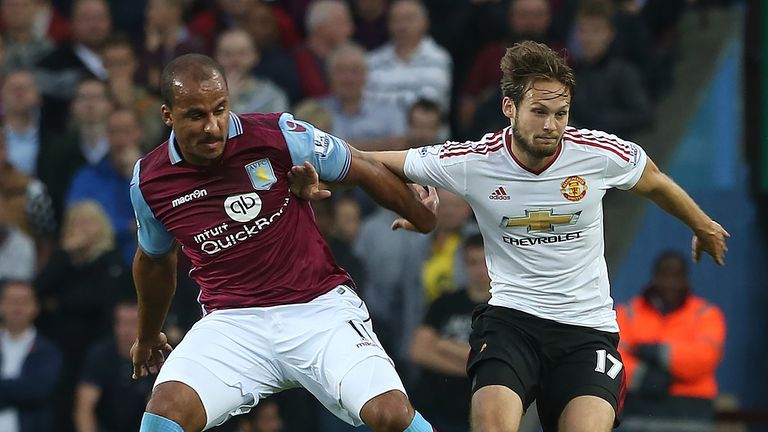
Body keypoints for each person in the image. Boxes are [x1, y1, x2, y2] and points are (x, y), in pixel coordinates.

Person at [293, 41, 729, 432]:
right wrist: (318, 173)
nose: (552, 125)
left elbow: (654, 181)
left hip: (587, 330)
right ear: (509, 108)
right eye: (539, 111)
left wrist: (702, 224)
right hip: (511, 322)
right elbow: (371, 161)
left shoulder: (599, 155)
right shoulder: (472, 161)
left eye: (561, 113)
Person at [129, 53, 439, 432]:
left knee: (392, 415)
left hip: (318, 310)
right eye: (196, 115)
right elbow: (156, 262)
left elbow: (363, 168)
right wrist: (147, 336)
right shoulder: (149, 181)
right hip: (232, 322)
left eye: (220, 110)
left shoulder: (279, 135)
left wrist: (422, 217)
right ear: (168, 116)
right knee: (162, 419)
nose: (213, 127)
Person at [616, 251, 726, 432]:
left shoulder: (706, 314)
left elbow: (705, 356)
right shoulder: (626, 312)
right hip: (636, 413)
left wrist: (655, 352)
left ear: (686, 279)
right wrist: (644, 376)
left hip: (692, 414)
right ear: (653, 277)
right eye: (664, 275)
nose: (670, 283)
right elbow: (615, 358)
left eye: (676, 276)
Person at [409, 233, 491, 432]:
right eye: (472, 262)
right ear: (464, 264)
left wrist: (443, 345)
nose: (479, 270)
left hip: (475, 413)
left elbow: (492, 361)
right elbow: (418, 351)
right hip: (431, 406)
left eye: (484, 262)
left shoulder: (502, 308)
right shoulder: (445, 302)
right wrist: (472, 366)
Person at [0, 280, 62, 432]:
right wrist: (18, 389)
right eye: (12, 301)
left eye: (24, 302)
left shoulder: (47, 351)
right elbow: (27, 390)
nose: (17, 308)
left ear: (35, 307)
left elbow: (38, 391)